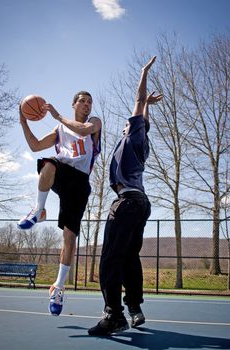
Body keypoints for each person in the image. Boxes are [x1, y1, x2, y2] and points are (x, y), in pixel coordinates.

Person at [88, 57, 163, 336]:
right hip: (139, 203)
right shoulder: (136, 141)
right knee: (129, 257)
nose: (127, 123)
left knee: (110, 258)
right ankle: (134, 307)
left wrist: (143, 75)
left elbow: (139, 101)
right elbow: (144, 115)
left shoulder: (134, 135)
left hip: (128, 202)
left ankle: (113, 315)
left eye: (133, 121)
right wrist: (147, 109)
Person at [17, 91, 102, 316]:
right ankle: (38, 209)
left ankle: (58, 287)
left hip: (80, 182)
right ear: (74, 104)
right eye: (82, 101)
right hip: (62, 172)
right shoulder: (60, 130)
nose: (86, 105)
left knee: (70, 238)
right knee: (47, 164)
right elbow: (35, 146)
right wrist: (24, 121)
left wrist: (57, 116)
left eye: (89, 102)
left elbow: (83, 130)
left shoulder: (94, 123)